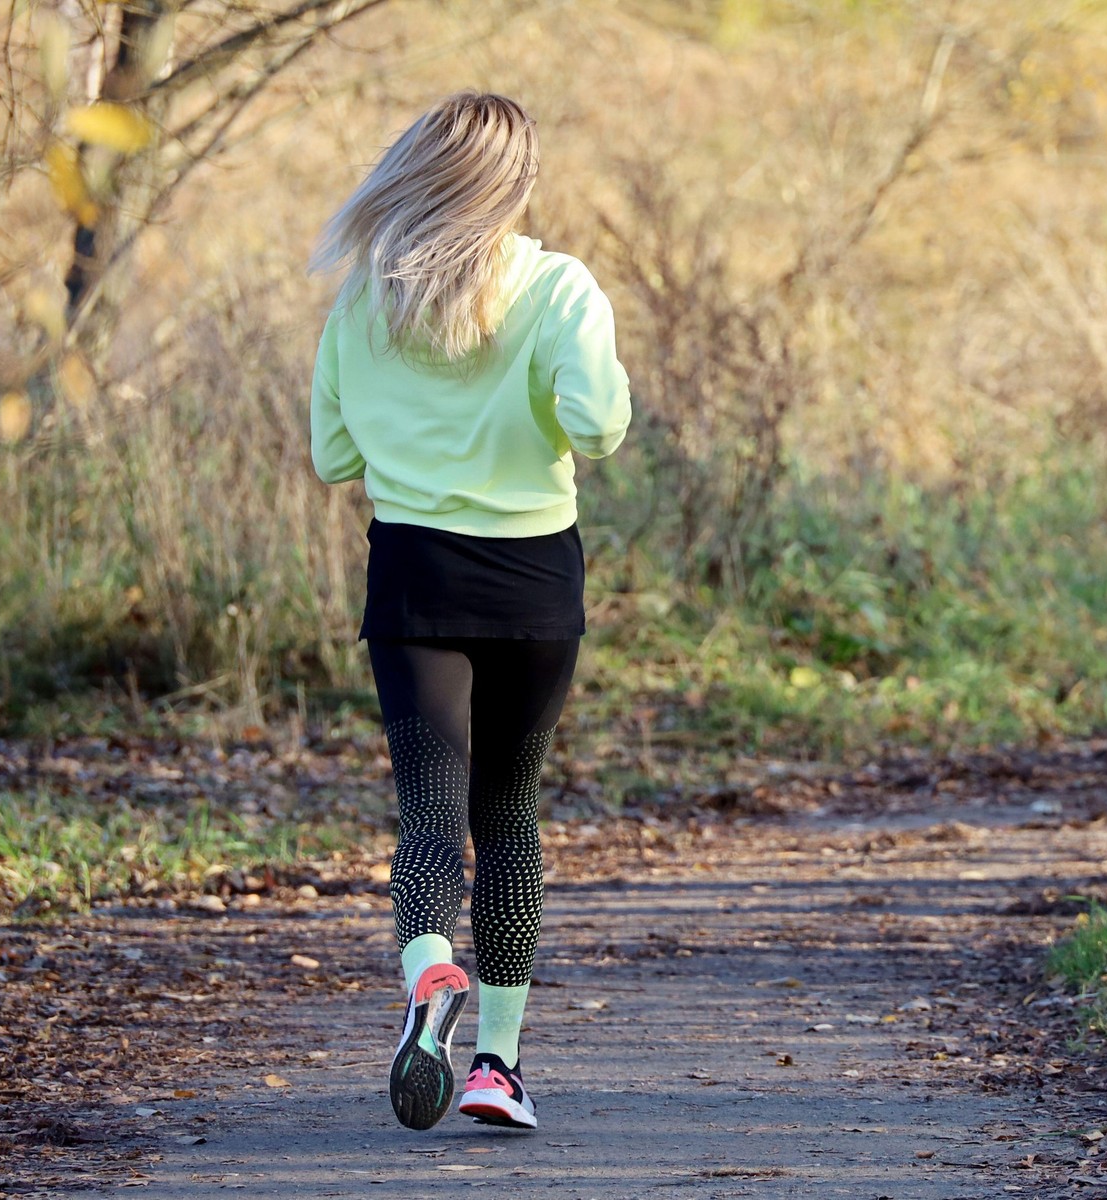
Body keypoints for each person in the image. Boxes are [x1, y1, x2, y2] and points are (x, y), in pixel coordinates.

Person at [307, 91, 631, 1132]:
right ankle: (496, 1066)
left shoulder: (364, 302)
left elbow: (332, 457)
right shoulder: (557, 286)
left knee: (430, 814)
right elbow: (600, 425)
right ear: (515, 182)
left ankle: (427, 971)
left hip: (413, 581)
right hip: (534, 584)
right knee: (508, 815)